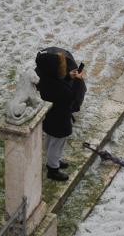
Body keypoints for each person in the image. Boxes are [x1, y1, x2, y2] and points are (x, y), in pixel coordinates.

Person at [34, 47, 87, 181]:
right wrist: (78, 81)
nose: (65, 69)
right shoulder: (61, 90)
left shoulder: (45, 78)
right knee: (57, 144)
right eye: (62, 68)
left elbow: (59, 82)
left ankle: (53, 159)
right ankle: (53, 169)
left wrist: (69, 77)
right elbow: (74, 100)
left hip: (50, 117)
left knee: (50, 140)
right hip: (60, 121)